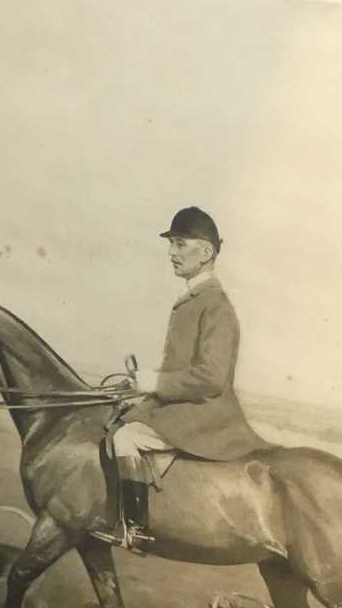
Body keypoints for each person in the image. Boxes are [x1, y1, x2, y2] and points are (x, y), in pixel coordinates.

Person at [105, 206, 272, 553]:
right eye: (171, 245)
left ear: (206, 252)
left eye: (180, 244)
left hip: (205, 414)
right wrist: (141, 385)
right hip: (184, 405)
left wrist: (154, 383)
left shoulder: (216, 306)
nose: (171, 253)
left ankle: (136, 530)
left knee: (127, 437)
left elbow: (211, 377)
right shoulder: (194, 298)